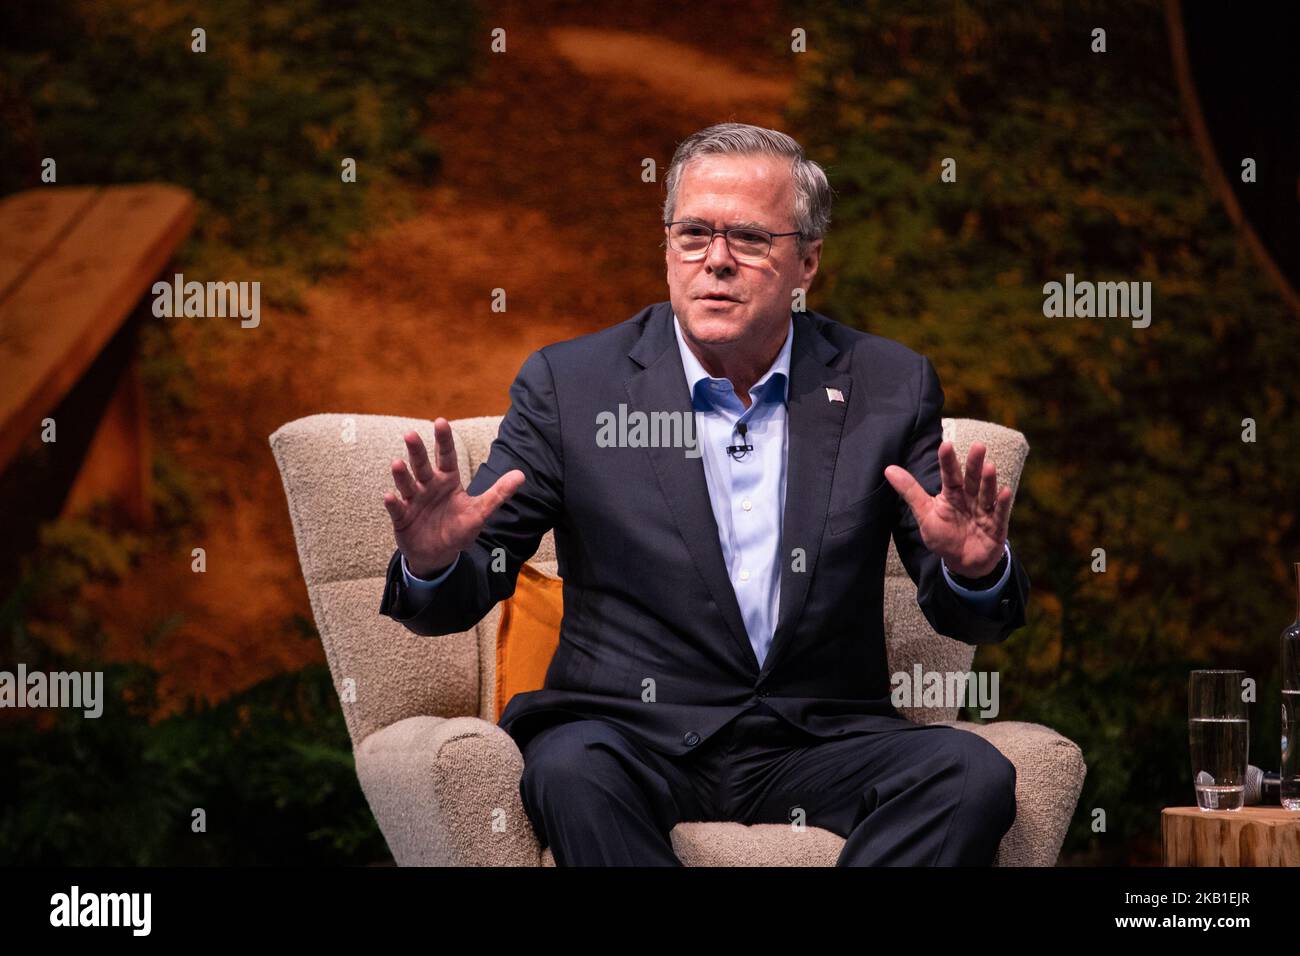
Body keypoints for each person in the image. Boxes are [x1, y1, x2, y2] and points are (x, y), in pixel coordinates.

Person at [378, 122, 1030, 866]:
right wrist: (432, 564)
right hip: (630, 735)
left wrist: (975, 570)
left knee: (971, 776)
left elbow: (959, 607)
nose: (715, 261)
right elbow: (472, 577)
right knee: (570, 770)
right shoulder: (573, 385)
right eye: (692, 234)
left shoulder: (888, 385)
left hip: (815, 740)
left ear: (806, 262)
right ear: (666, 249)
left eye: (749, 239)